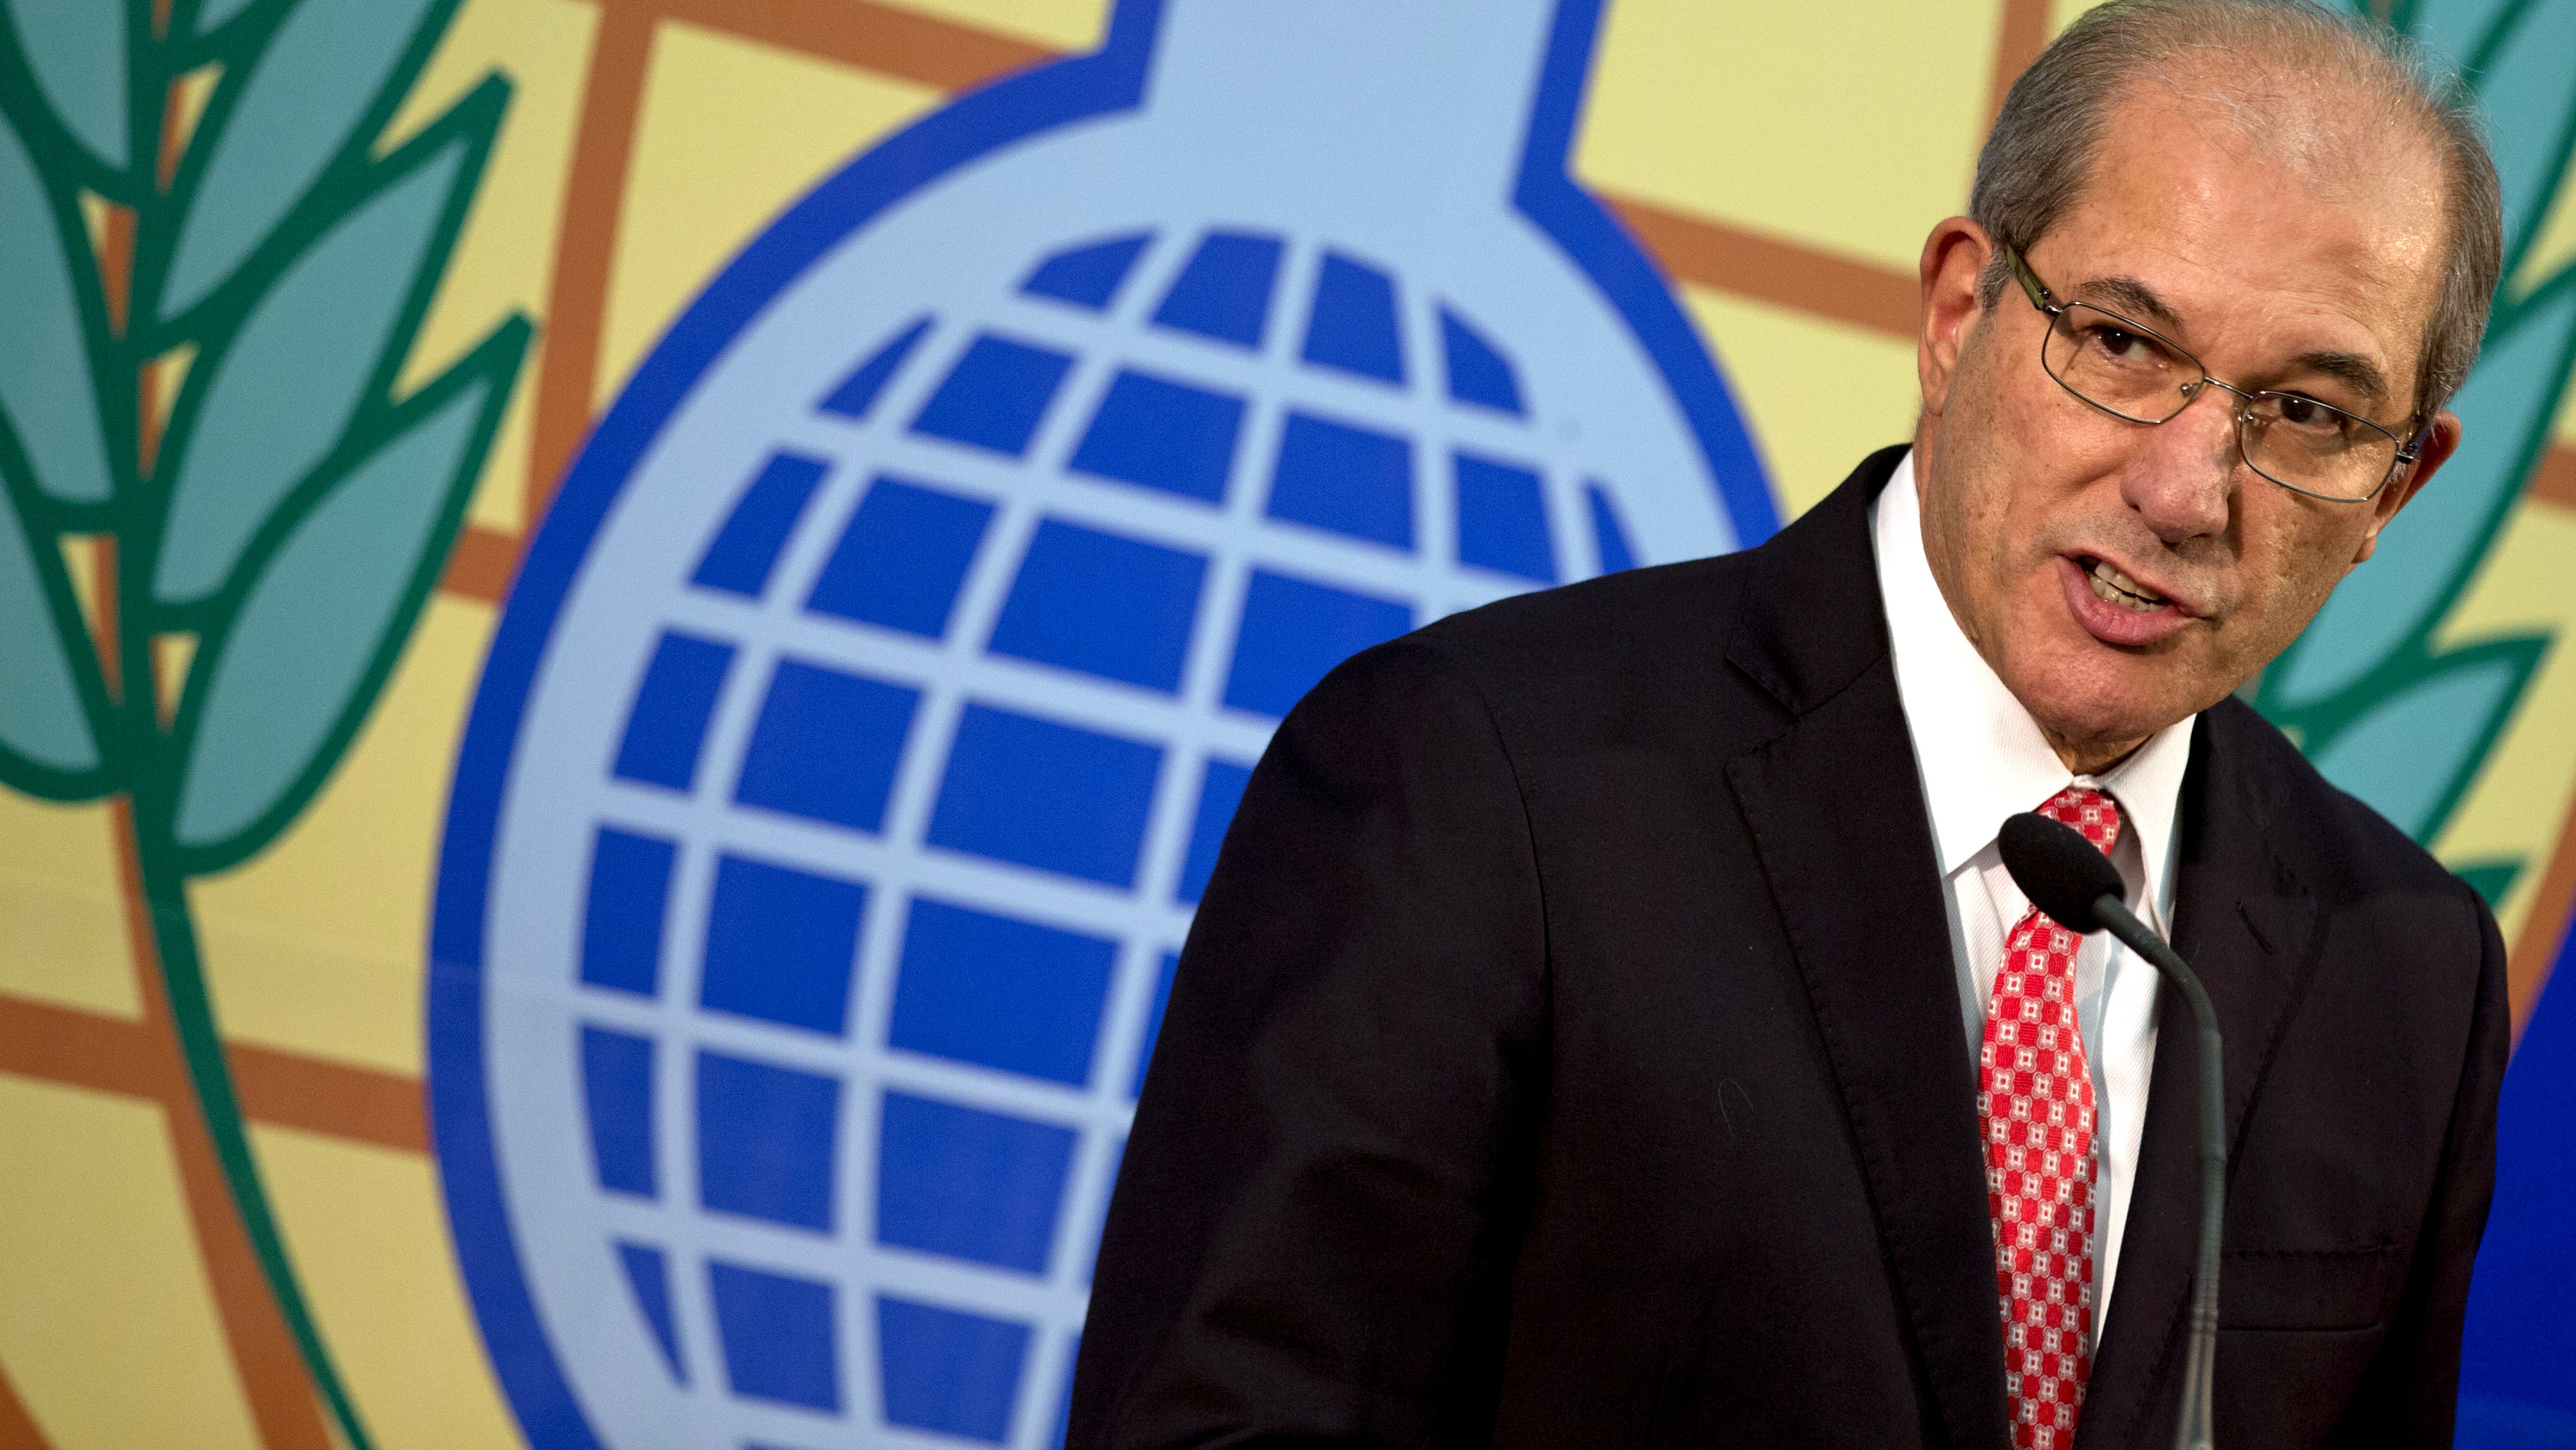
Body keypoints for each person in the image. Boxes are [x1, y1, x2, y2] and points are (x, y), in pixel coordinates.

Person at [1070, 2, 2511, 1445]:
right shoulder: (1483, 780)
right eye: (2123, 342)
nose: (2188, 491)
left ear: (2395, 490)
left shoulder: (2406, 971)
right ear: (1960, 313)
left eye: (2308, 414)